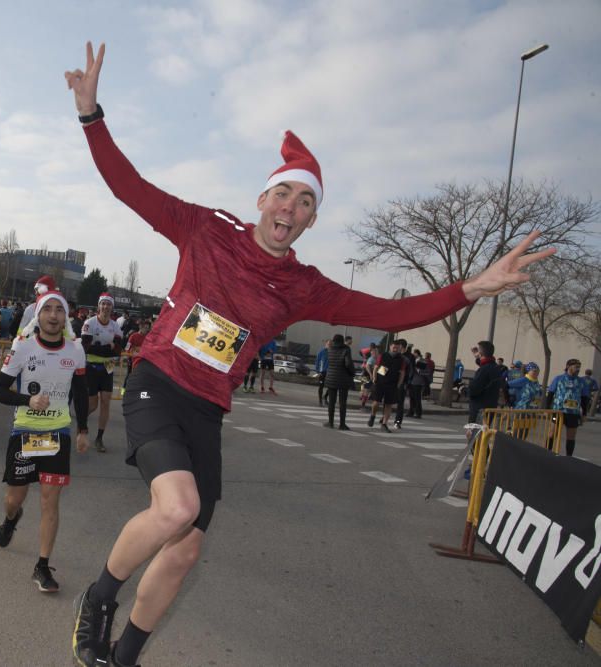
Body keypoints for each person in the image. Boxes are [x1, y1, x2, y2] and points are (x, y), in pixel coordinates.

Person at [64, 41, 554, 667]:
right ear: (262, 200)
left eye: (306, 204)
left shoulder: (306, 287)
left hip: (207, 409)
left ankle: (124, 655)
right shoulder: (205, 229)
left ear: (310, 222)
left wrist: (471, 288)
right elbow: (127, 185)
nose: (290, 209)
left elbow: (389, 312)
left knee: (185, 548)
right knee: (177, 508)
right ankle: (101, 597)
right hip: (159, 380)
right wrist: (91, 115)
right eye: (284, 195)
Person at [0, 290, 90, 593]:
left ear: (66, 316)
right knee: (14, 499)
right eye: (47, 309)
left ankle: (42, 565)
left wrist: (83, 429)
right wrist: (27, 400)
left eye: (58, 310)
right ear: (38, 315)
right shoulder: (22, 347)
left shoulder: (75, 350)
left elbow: (82, 392)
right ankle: (11, 518)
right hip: (25, 431)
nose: (53, 315)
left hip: (57, 432)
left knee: (50, 499)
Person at [81, 292, 123, 452]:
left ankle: (99, 438)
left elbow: (117, 351)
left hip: (108, 367)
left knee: (106, 402)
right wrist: (106, 348)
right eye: (103, 304)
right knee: (93, 404)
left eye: (109, 304)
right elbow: (85, 347)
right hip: (91, 366)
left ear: (112, 307)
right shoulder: (90, 323)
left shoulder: (115, 326)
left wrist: (100, 347)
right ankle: (82, 421)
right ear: (99, 306)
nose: (105, 307)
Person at [547, 358, 589, 456]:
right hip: (558, 412)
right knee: (552, 433)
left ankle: (569, 457)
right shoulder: (559, 378)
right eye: (576, 367)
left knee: (571, 436)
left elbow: (584, 398)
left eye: (579, 367)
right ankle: (547, 453)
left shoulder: (581, 381)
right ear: (568, 367)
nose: (578, 369)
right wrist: (547, 409)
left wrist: (584, 414)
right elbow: (550, 394)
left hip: (573, 413)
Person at [367, 340, 407, 432]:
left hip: (393, 384)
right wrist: (374, 378)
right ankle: (373, 415)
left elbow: (402, 372)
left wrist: (399, 384)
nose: (395, 349)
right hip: (380, 382)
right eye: (394, 347)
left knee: (389, 404)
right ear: (390, 347)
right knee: (376, 402)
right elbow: (376, 367)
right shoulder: (383, 355)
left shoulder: (401, 359)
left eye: (397, 348)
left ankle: (384, 424)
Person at [323, 334, 355, 430]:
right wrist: (352, 372)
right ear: (342, 340)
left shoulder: (330, 349)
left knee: (332, 402)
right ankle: (342, 424)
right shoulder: (346, 349)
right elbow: (348, 363)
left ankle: (330, 422)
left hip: (331, 378)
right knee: (342, 403)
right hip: (343, 379)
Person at [467, 341, 502, 424]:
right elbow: (484, 364)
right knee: (483, 433)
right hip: (491, 406)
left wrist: (464, 390)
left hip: (479, 409)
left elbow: (473, 390)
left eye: (478, 351)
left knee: (474, 434)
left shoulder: (484, 370)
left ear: (481, 354)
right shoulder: (496, 367)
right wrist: (476, 354)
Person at [407, 348, 427, 419]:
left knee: (417, 398)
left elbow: (422, 370)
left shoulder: (422, 360)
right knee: (411, 397)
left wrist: (415, 366)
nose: (413, 354)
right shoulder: (414, 360)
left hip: (418, 381)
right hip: (412, 380)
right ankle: (411, 411)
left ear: (417, 353)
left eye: (414, 353)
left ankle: (418, 413)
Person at [315, 339, 330, 406]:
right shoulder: (321, 352)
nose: (329, 345)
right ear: (326, 344)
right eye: (328, 344)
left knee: (331, 387)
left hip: (330, 372)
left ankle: (325, 397)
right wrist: (318, 371)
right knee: (321, 386)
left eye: (331, 344)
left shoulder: (333, 352)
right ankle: (320, 400)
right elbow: (317, 362)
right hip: (322, 372)